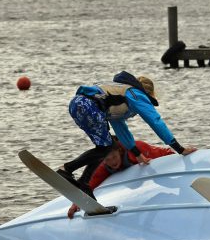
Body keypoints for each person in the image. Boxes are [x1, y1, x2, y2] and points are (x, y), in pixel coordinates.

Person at [58, 71, 197, 194]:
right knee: (106, 148)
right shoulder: (136, 94)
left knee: (104, 148)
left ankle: (84, 184)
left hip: (77, 105)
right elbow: (155, 121)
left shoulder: (120, 97)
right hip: (88, 106)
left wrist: (137, 154)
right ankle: (67, 169)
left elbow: (121, 130)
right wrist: (179, 149)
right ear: (149, 93)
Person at [67, 138, 175, 218]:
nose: (112, 162)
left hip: (164, 167)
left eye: (114, 157)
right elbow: (90, 185)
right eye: (107, 159)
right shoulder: (103, 166)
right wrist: (76, 202)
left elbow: (166, 154)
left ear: (119, 151)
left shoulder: (136, 149)